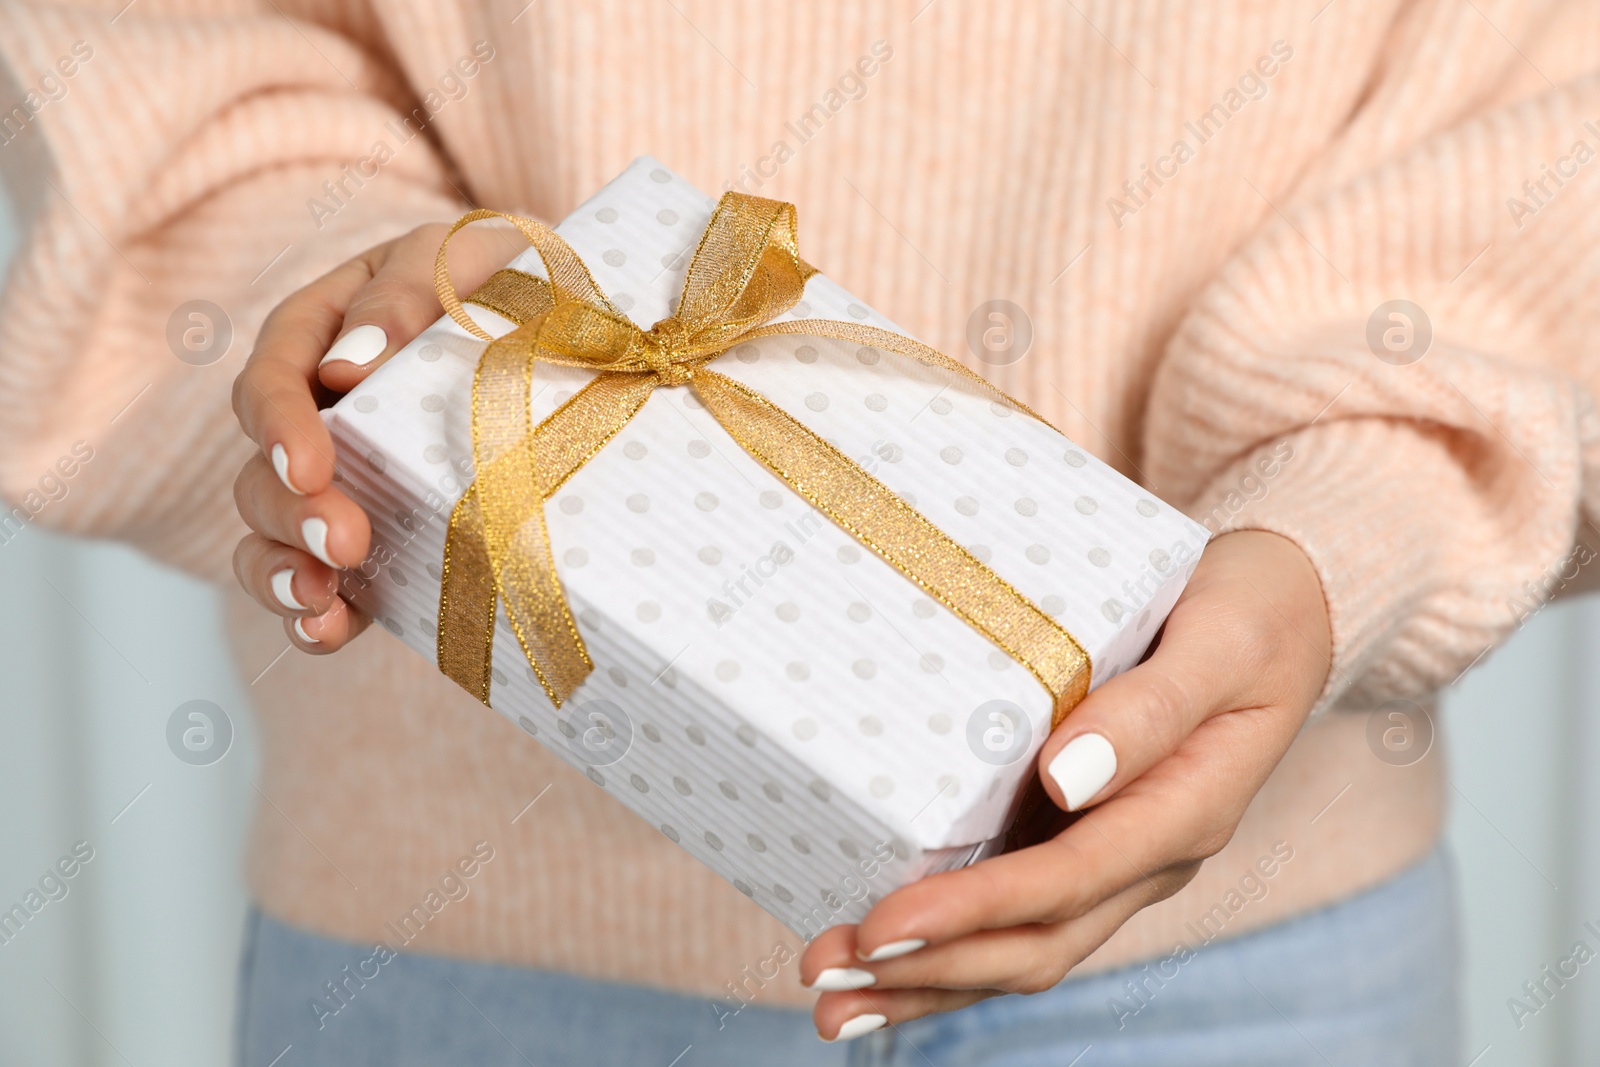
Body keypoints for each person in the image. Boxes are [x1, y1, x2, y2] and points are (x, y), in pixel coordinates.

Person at [2, 1, 1595, 1062]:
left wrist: (1348, 524)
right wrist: (369, 314)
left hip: (1251, 976)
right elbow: (167, 73)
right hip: (459, 964)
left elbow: (1546, 139)